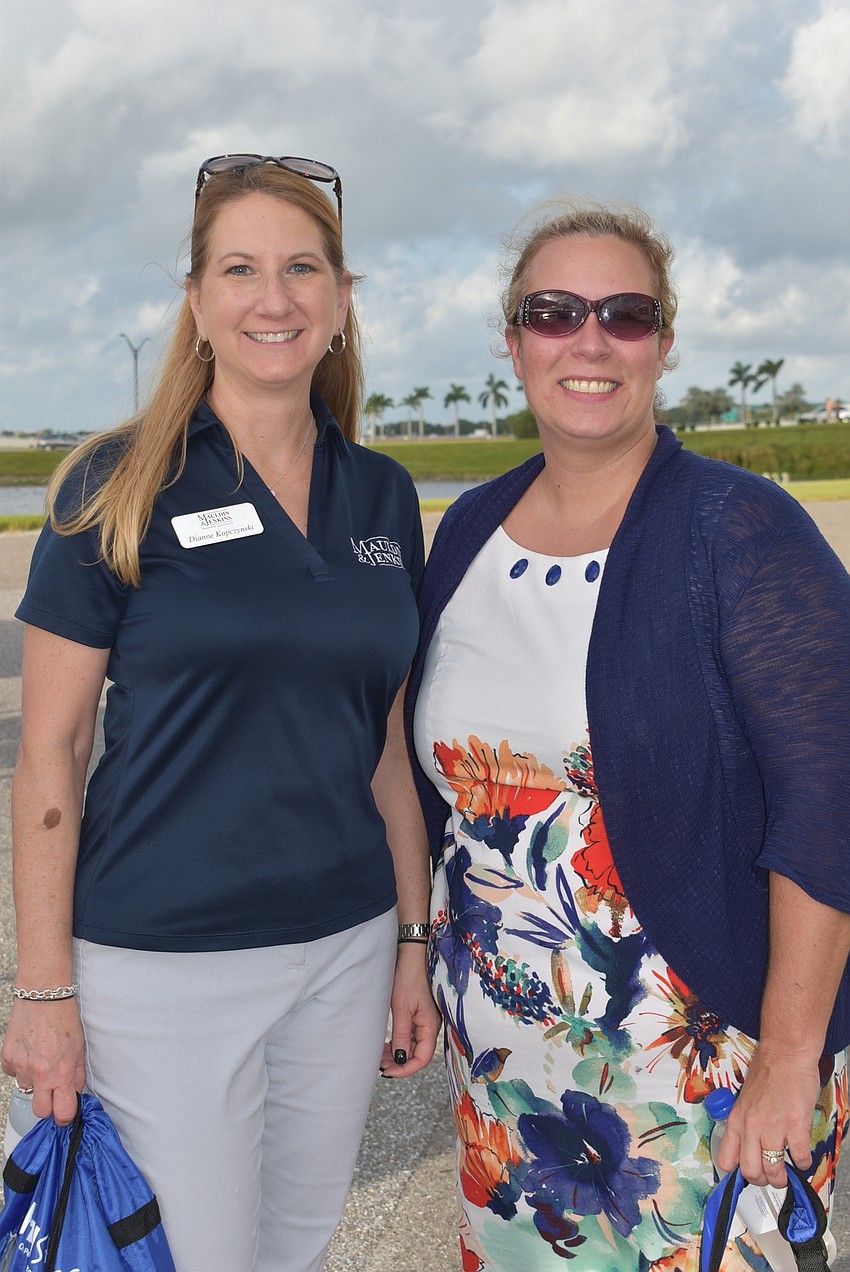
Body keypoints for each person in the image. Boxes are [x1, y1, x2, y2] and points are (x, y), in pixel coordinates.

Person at [2, 154, 439, 1272]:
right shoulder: (113, 484)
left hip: (344, 949)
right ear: (196, 303)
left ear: (341, 300)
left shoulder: (383, 494)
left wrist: (409, 938)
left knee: (296, 1247)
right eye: (239, 270)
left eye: (301, 269)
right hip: (164, 962)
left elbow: (386, 745)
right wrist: (43, 991)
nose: (272, 297)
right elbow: (50, 752)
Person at [405, 200, 850, 1270]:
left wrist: (791, 1055)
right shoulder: (467, 530)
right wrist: (412, 952)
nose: (590, 340)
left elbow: (828, 800)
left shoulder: (739, 529)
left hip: (700, 1073)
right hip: (506, 1080)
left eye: (625, 314)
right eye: (555, 312)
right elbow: (430, 792)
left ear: (663, 341)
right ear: (515, 340)